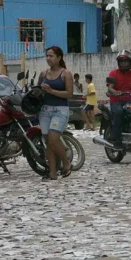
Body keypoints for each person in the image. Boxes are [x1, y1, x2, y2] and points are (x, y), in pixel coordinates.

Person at [37, 46, 74, 180]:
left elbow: (69, 94)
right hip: (45, 111)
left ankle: (66, 162)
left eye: (51, 56)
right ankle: (52, 173)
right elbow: (38, 92)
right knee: (48, 142)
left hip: (60, 110)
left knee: (53, 139)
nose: (48, 58)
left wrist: (52, 91)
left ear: (59, 58)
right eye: (47, 56)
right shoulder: (43, 74)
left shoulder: (66, 74)